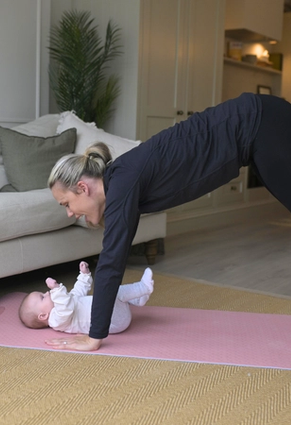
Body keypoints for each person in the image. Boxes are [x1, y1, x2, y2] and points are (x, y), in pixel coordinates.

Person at [45, 92, 291, 351]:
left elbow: (111, 261)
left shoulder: (121, 185)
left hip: (261, 121)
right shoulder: (120, 181)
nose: (70, 213)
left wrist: (93, 337)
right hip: (259, 122)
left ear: (82, 188)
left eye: (66, 204)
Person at [19, 261, 154, 335]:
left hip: (112, 315)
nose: (47, 293)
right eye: (43, 297)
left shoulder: (66, 301)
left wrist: (84, 275)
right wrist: (56, 289)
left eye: (45, 292)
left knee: (112, 293)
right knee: (111, 292)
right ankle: (143, 288)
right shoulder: (56, 321)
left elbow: (78, 292)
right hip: (111, 322)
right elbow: (65, 308)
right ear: (43, 316)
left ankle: (138, 299)